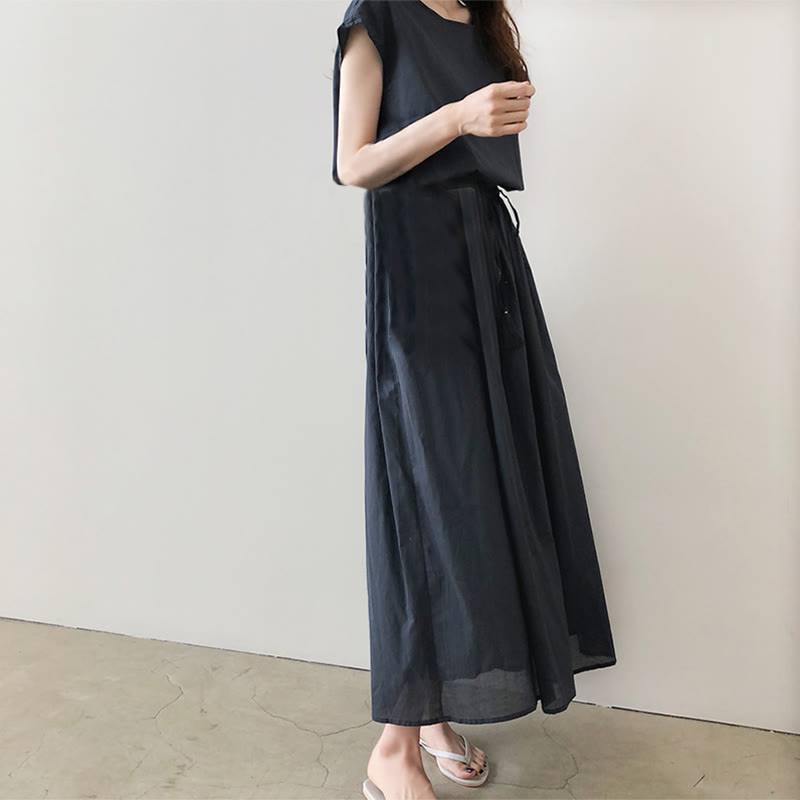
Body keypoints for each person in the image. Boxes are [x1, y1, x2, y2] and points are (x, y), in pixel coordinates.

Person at [331, 2, 617, 798]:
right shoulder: (378, 15)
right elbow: (353, 164)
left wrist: (487, 116)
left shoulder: (479, 14)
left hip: (485, 261)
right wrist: (459, 116)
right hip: (417, 273)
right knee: (431, 498)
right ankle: (393, 747)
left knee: (489, 492)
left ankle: (434, 712)